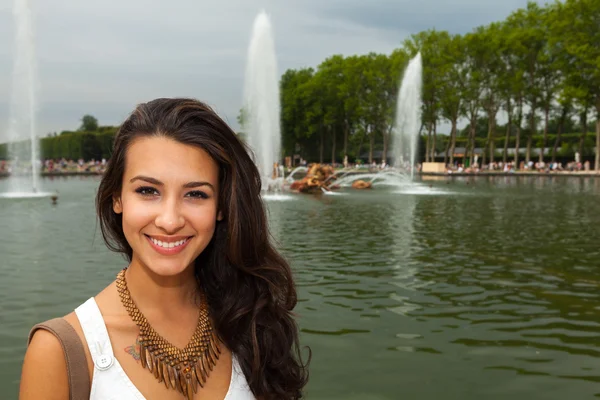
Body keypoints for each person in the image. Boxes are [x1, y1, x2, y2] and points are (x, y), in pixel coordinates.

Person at [20, 98, 310, 400]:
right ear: (116, 198)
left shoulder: (250, 321)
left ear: (221, 207)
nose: (170, 220)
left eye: (196, 194)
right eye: (148, 191)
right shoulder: (58, 353)